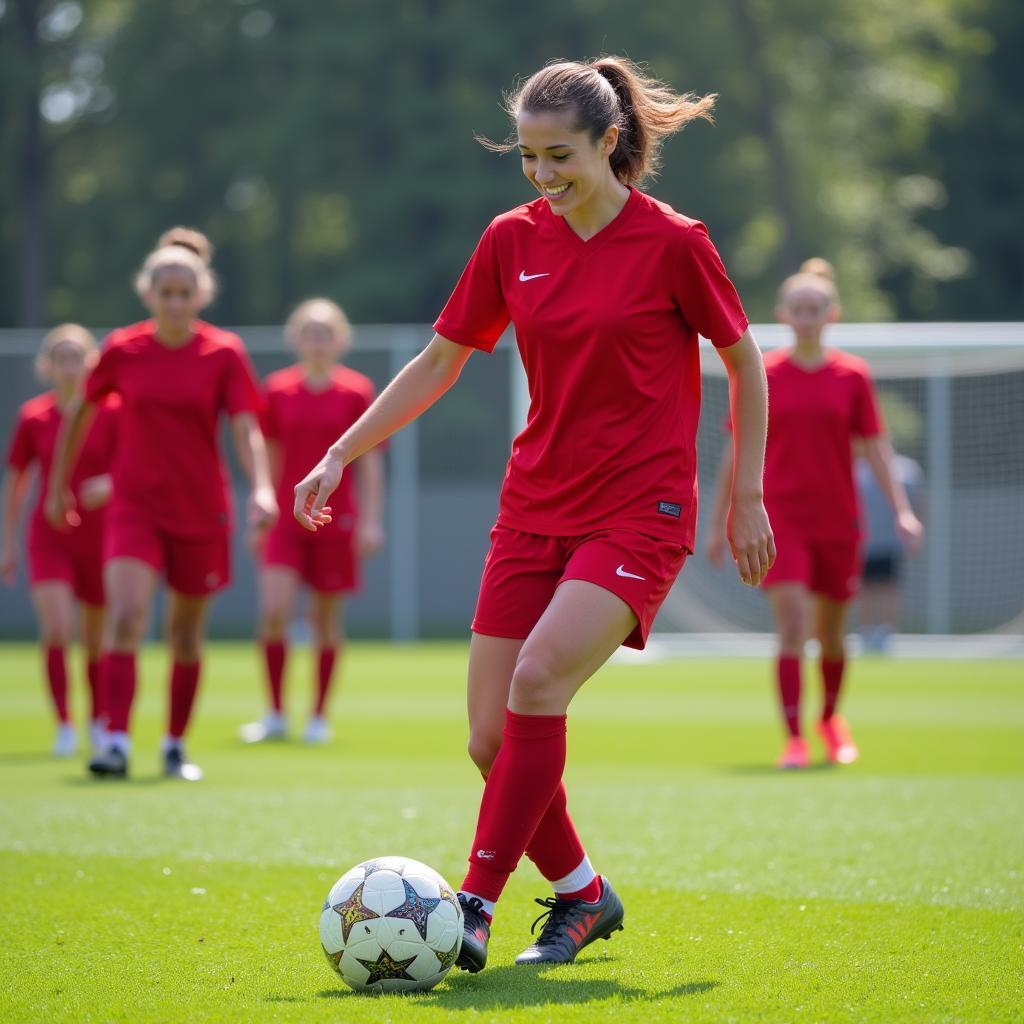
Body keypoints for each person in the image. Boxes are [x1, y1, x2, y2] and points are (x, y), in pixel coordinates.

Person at [293, 57, 773, 973]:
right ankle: (586, 896)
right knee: (488, 738)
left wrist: (745, 492)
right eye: (527, 158)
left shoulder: (676, 242)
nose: (544, 177)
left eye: (560, 156)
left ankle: (471, 903)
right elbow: (439, 363)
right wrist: (339, 453)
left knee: (539, 681)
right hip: (533, 509)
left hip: (641, 509)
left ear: (609, 142)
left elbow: (744, 363)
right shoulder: (511, 240)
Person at [46, 234, 278, 781]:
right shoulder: (124, 350)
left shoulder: (223, 352)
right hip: (135, 506)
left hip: (201, 509)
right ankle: (116, 741)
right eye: (165, 291)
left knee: (185, 634)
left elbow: (246, 426)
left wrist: (263, 486)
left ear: (201, 294)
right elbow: (80, 412)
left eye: (184, 291)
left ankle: (174, 744)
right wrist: (58, 485)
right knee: (125, 617)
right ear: (147, 294)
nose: (174, 301)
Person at [707, 259, 923, 769]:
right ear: (784, 314)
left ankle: (829, 719)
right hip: (780, 523)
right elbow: (732, 453)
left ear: (832, 315)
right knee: (793, 626)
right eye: (797, 310)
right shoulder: (764, 373)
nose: (806, 317)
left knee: (830, 635)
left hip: (838, 521)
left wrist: (903, 512)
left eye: (815, 309)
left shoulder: (852, 376)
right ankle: (794, 738)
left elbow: (876, 448)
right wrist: (720, 522)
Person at [240, 298, 384, 745]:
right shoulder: (278, 390)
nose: (317, 341)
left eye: (325, 333)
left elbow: (371, 462)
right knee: (274, 612)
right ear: (296, 339)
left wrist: (371, 520)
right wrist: (261, 513)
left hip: (336, 520)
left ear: (340, 340)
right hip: (287, 520)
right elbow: (272, 457)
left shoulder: (356, 391)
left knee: (325, 619)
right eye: (309, 332)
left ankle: (319, 716)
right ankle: (276, 714)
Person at [2, 326, 119, 756]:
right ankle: (64, 725)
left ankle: (99, 722)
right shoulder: (34, 416)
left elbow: (133, 465)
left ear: (92, 362)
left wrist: (110, 484)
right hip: (49, 535)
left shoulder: (112, 411)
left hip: (102, 535)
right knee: (55, 628)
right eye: (61, 357)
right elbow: (17, 480)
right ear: (47, 366)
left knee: (95, 638)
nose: (70, 366)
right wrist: (7, 543)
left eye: (78, 356)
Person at [856, 451, 923, 653]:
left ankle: (887, 635)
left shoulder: (907, 470)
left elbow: (918, 505)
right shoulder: (857, 469)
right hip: (864, 542)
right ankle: (867, 634)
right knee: (865, 588)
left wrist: (915, 531)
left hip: (891, 542)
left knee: (889, 587)